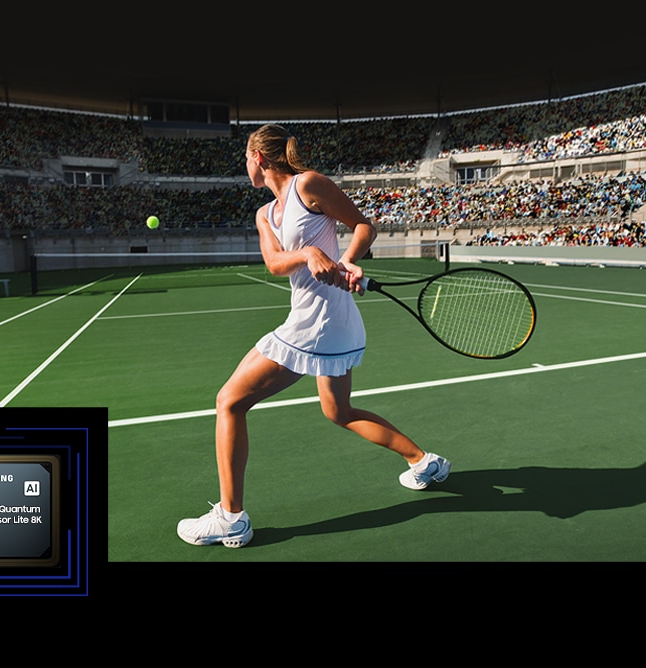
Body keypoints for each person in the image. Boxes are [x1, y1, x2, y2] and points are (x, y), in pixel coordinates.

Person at [177, 124, 450, 548]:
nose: (244, 166)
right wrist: (308, 252)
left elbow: (363, 226)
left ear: (259, 157)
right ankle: (424, 461)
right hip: (327, 322)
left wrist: (347, 260)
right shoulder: (265, 214)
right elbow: (274, 263)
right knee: (338, 411)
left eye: (245, 158)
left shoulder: (309, 184)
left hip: (319, 322)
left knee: (229, 401)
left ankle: (231, 518)